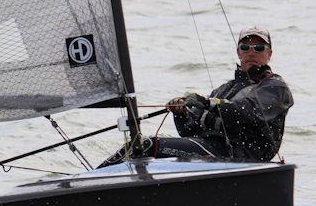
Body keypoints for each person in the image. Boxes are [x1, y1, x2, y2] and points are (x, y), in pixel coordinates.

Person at [100, 26, 293, 165]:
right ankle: (100, 183)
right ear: (238, 52)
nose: (251, 52)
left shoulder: (275, 87)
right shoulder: (224, 90)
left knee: (147, 145)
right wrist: (181, 113)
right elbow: (191, 132)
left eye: (259, 48)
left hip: (242, 157)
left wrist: (206, 103)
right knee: (139, 148)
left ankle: (88, 181)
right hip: (214, 152)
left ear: (269, 54)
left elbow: (248, 111)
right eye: (245, 47)